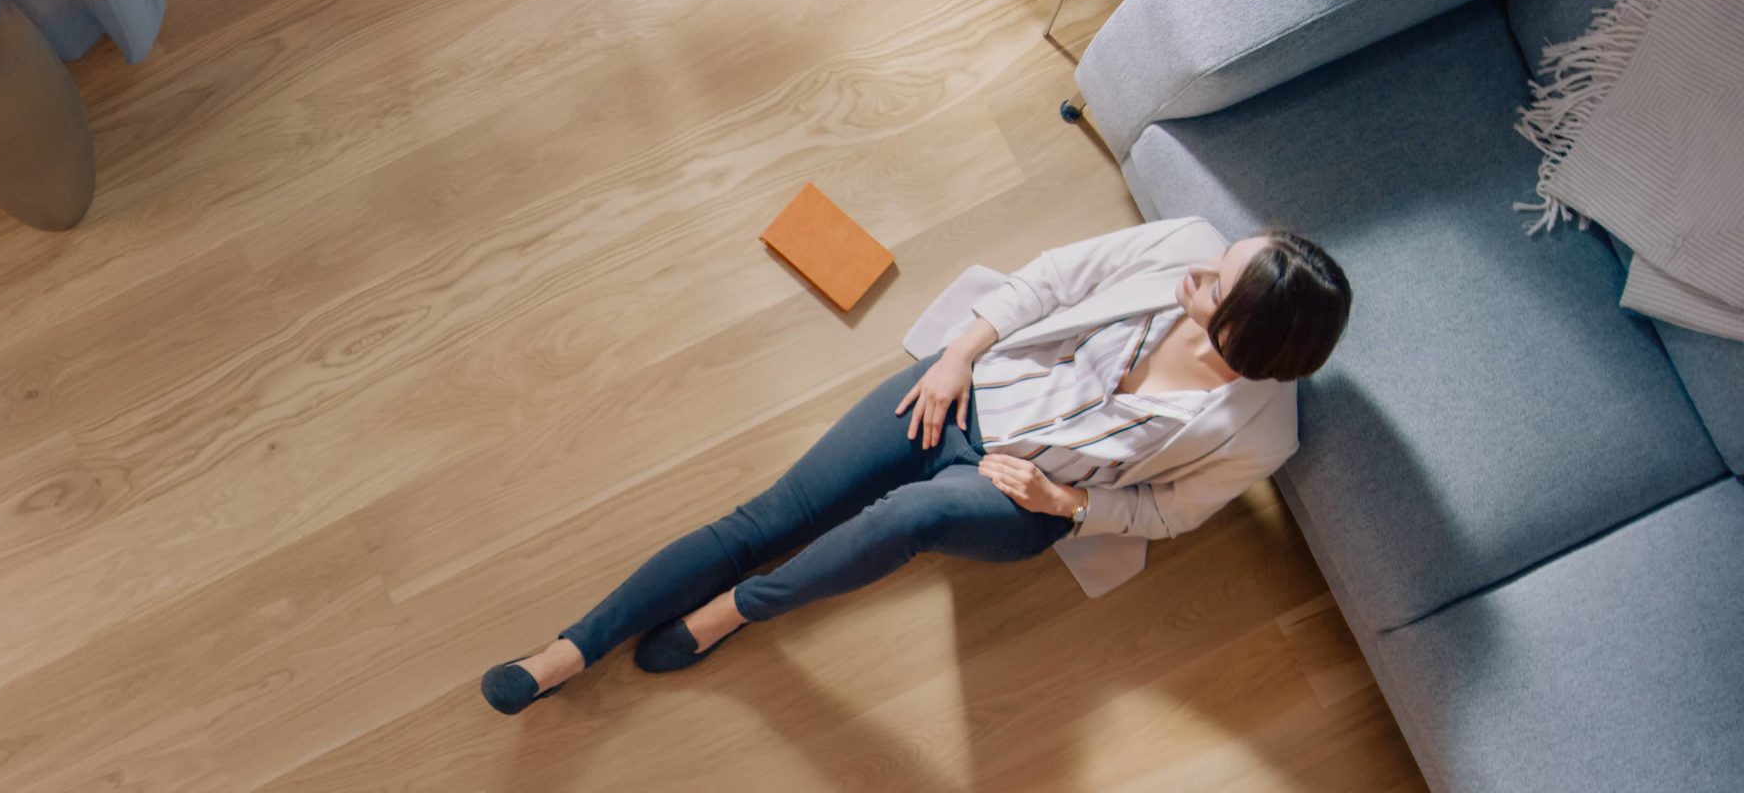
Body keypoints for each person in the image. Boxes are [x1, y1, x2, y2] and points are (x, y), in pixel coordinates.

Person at [482, 217, 1352, 714]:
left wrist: (1070, 504)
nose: (1199, 267)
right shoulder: (1183, 247)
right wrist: (957, 354)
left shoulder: (1259, 432)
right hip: (961, 395)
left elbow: (1169, 513)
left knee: (909, 520)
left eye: (1215, 284)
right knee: (769, 519)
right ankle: (567, 652)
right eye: (1219, 258)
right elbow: (1046, 282)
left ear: (1240, 334)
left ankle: (736, 611)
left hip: (1023, 499)